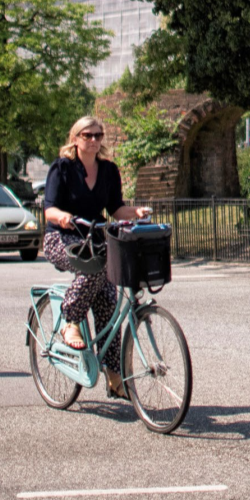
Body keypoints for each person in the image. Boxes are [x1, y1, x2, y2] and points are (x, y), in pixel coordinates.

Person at [43, 115, 152, 397]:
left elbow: (116, 209)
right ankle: (70, 321)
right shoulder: (62, 168)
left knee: (107, 300)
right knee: (93, 269)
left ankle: (115, 377)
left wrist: (136, 213)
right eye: (88, 135)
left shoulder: (108, 171)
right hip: (62, 238)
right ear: (75, 138)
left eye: (98, 135)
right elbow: (49, 209)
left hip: (94, 239)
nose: (94, 140)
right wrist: (64, 217)